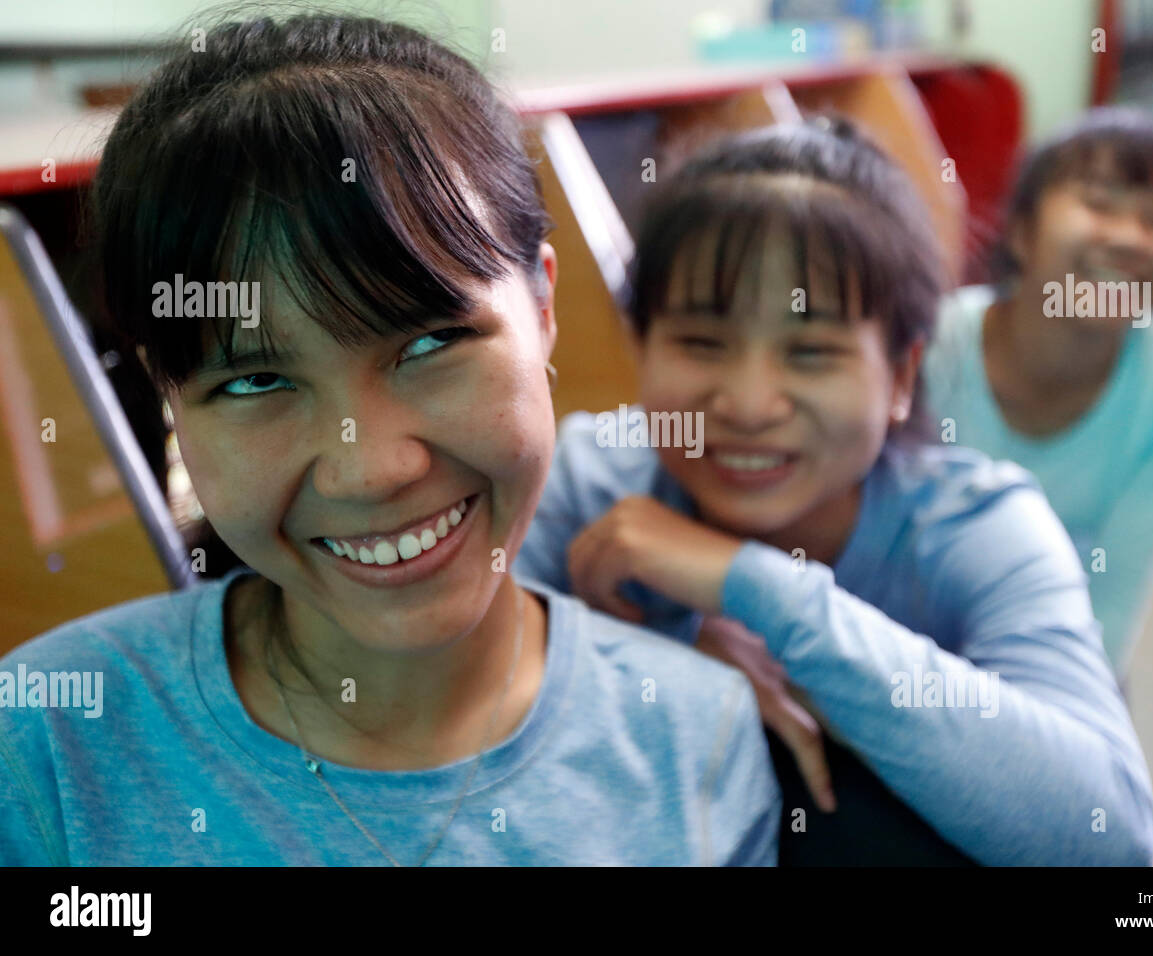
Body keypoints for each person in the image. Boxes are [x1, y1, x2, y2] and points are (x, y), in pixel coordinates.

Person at [0, 13, 779, 866]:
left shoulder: (694, 744)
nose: (370, 469)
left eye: (430, 343)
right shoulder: (48, 744)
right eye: (257, 380)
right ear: (170, 397)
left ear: (545, 310)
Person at [514, 116, 1153, 865]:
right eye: (700, 342)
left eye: (811, 352)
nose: (749, 405)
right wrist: (663, 661)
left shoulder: (977, 524)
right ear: (643, 347)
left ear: (903, 376)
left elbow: (1107, 836)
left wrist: (756, 586)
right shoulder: (588, 479)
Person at [925, 107, 1153, 678]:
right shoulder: (934, 343)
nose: (1130, 238)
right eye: (1099, 204)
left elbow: (1114, 602)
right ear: (1021, 232)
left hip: (1059, 650)